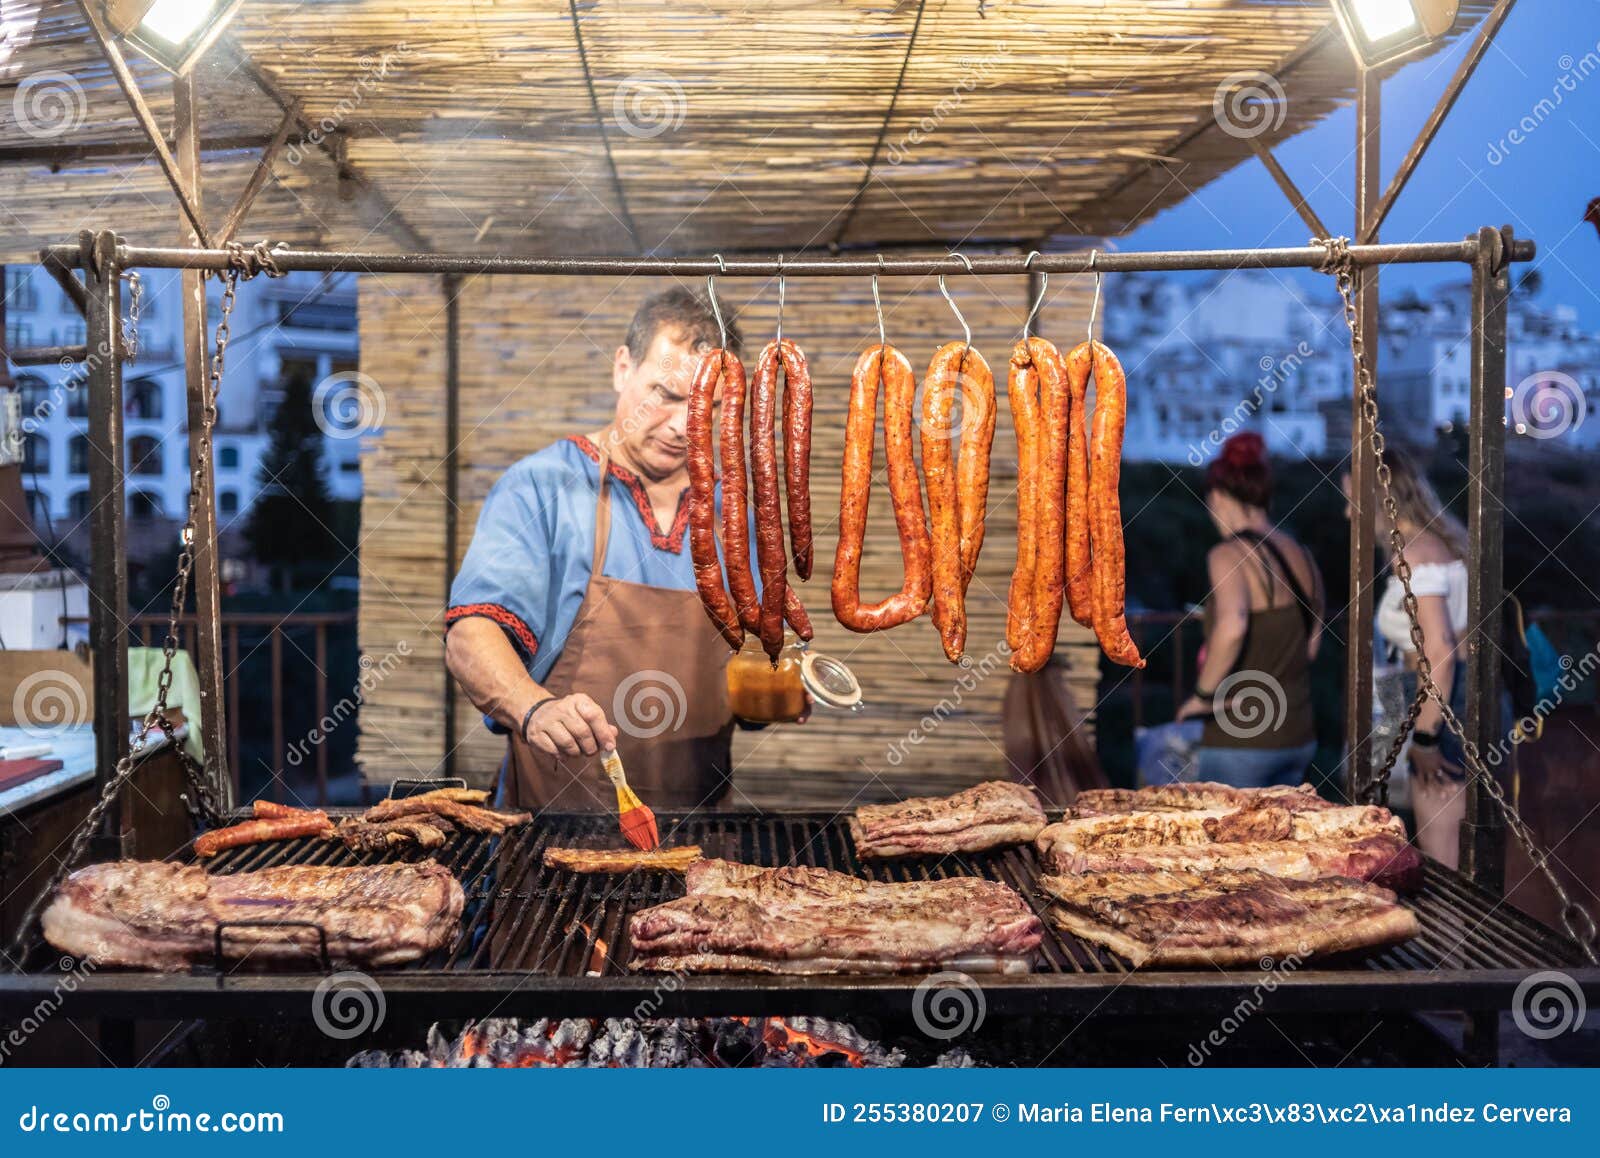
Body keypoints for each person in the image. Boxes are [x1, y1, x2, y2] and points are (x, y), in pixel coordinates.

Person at [444, 288, 745, 811]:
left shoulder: (732, 510)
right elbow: (470, 636)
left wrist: (774, 691)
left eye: (707, 409)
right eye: (667, 395)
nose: (681, 426)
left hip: (699, 829)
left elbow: (749, 668)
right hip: (553, 824)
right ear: (622, 368)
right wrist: (532, 707)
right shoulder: (542, 486)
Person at [1342, 450, 1469, 867]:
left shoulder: (1412, 552)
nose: (1348, 513)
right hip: (1470, 698)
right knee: (1462, 846)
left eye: (1351, 500)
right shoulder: (1445, 542)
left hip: (1445, 706)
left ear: (1377, 500)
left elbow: (1441, 651)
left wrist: (1427, 737)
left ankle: (1452, 934)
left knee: (1440, 854)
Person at [1177, 432, 1324, 787]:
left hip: (1241, 740)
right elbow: (1311, 647)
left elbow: (1233, 625)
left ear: (1217, 496)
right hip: (1298, 736)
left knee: (1224, 841)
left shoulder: (1226, 555)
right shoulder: (1302, 555)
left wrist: (1201, 697)